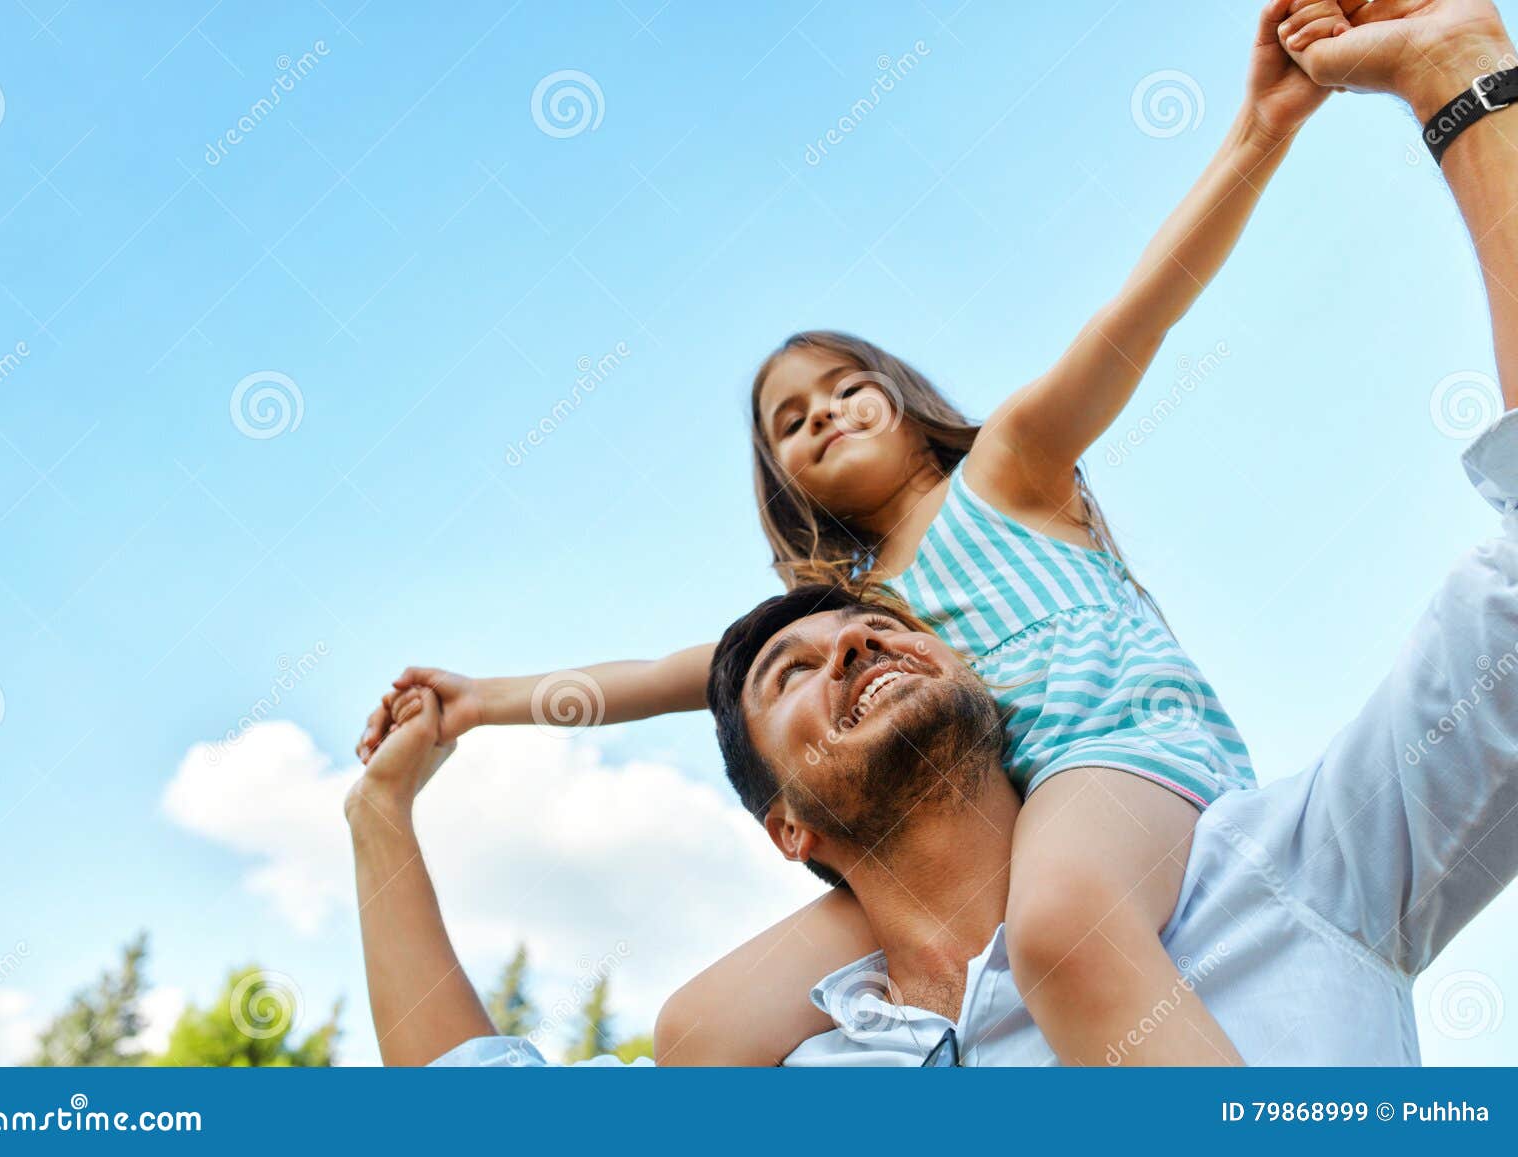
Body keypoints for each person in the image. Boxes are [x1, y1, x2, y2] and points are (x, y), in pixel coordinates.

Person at [353, 0, 1361, 1068]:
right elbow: (661, 673)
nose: (822, 411)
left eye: (844, 386)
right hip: (963, 827)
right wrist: (481, 701)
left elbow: (1137, 315)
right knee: (701, 1029)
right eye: (790, 420)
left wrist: (1261, 132)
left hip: (1119, 757)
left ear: (900, 395)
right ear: (784, 478)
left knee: (1064, 928)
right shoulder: (857, 616)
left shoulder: (1011, 469)